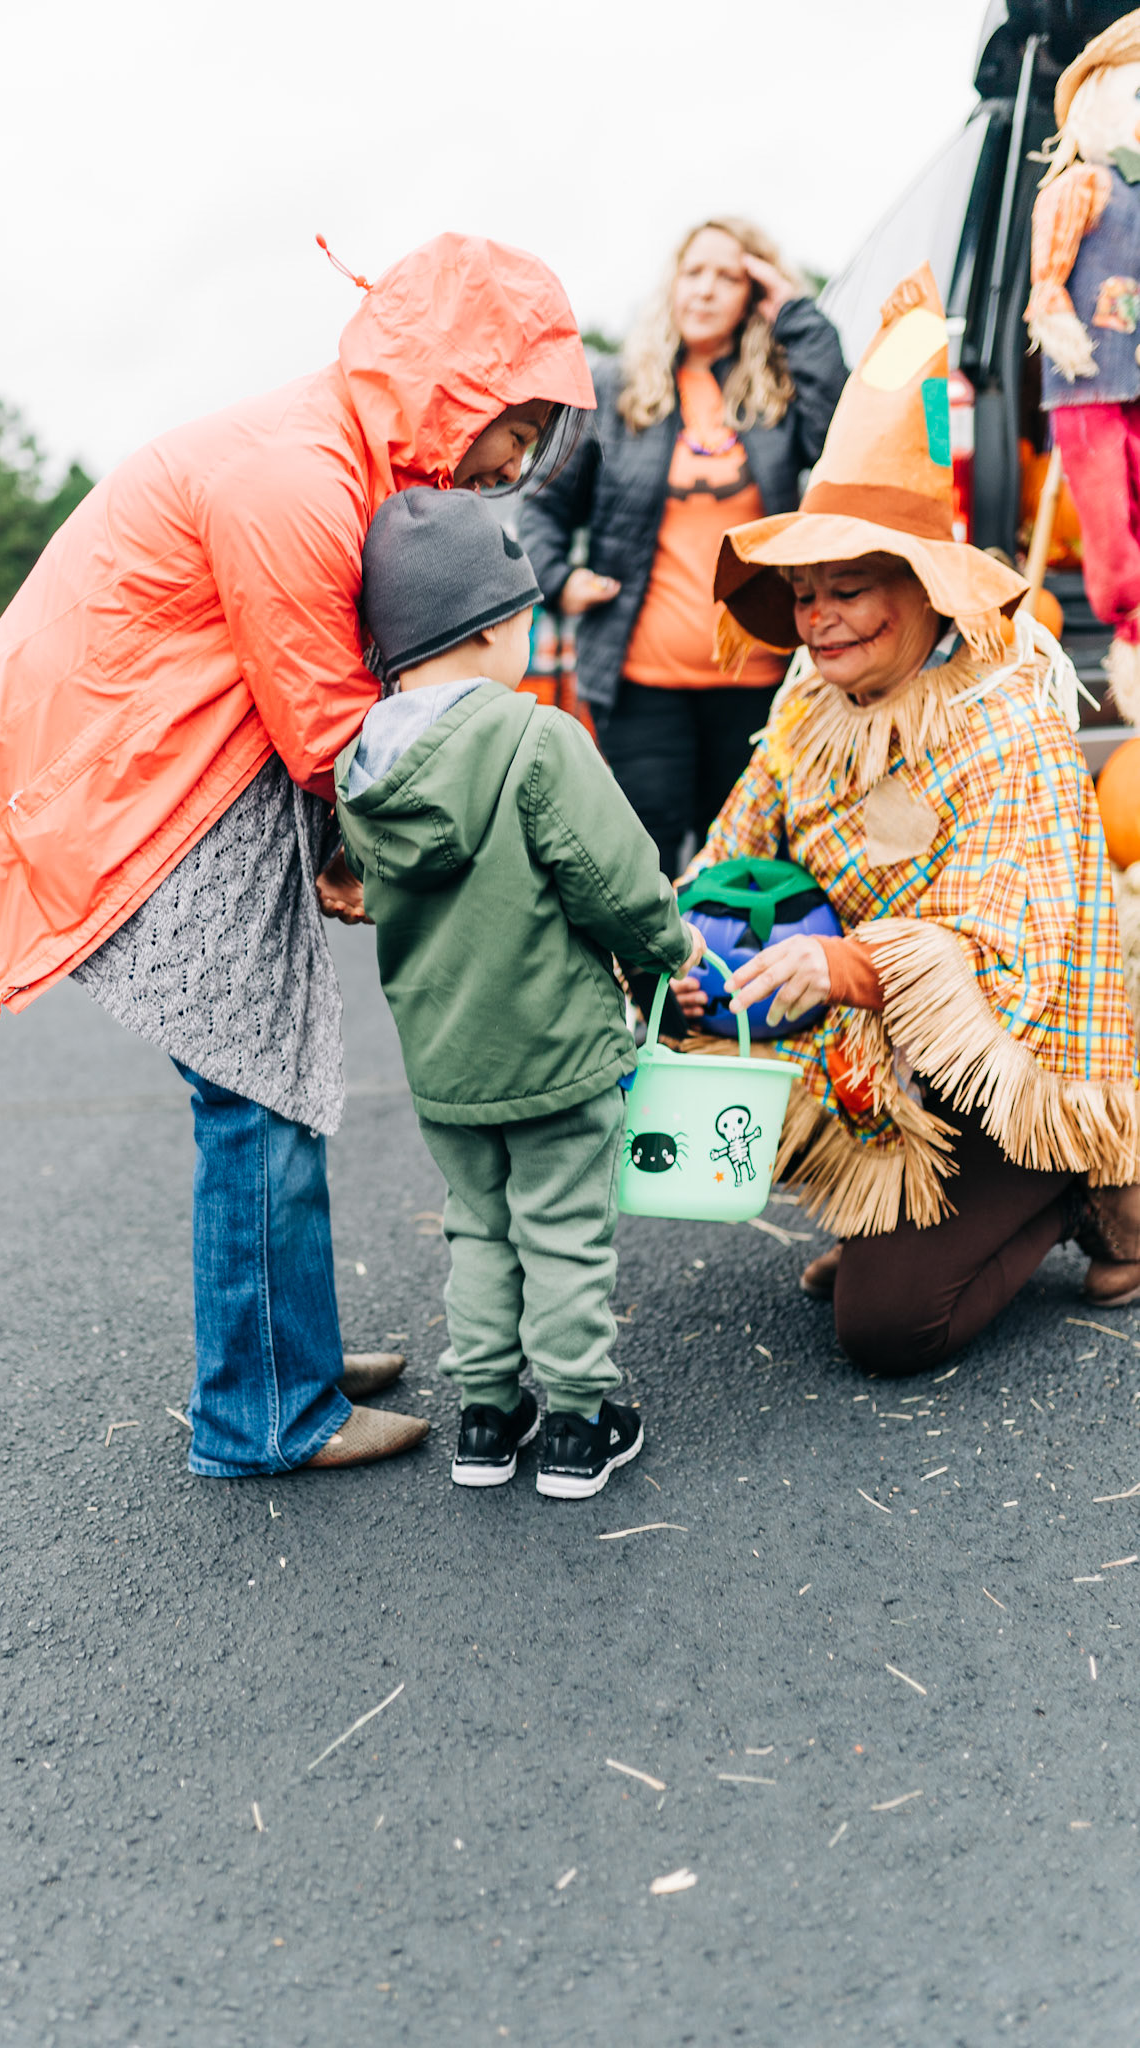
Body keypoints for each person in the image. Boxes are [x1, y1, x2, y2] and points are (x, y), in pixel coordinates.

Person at [0, 234, 595, 1478]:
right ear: (452, 383)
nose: (516, 464)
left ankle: (286, 1355)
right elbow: (330, 726)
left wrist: (349, 852)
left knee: (272, 1080)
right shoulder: (299, 478)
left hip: (182, 773)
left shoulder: (329, 449)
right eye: (515, 425)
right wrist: (446, 855)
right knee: (257, 1092)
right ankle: (264, 1410)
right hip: (155, 784)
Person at [670, 265, 1140, 1377]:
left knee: (885, 1328)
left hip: (1021, 1050)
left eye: (847, 587)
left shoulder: (1004, 718)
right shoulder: (806, 706)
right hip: (884, 1039)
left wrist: (840, 964)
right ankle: (906, 1204)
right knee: (714, 1015)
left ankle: (1082, 1176)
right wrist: (684, 949)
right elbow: (734, 848)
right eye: (803, 593)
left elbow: (1005, 960)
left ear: (926, 589)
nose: (816, 619)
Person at [335, 489, 701, 1499]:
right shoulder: (539, 741)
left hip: (446, 1063)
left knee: (479, 1229)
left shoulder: (364, 766)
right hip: (555, 1051)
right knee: (563, 1233)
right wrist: (665, 956)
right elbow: (617, 883)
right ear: (492, 625)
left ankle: (488, 1419)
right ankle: (579, 1421)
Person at [519, 217, 846, 885]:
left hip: (759, 685)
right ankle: (658, 965)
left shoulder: (777, 393)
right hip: (641, 685)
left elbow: (840, 436)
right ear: (672, 283)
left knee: (746, 874)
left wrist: (794, 312)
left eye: (728, 276)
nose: (704, 289)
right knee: (644, 867)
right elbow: (542, 502)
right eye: (693, 272)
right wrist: (560, 578)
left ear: (754, 293)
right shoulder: (615, 388)